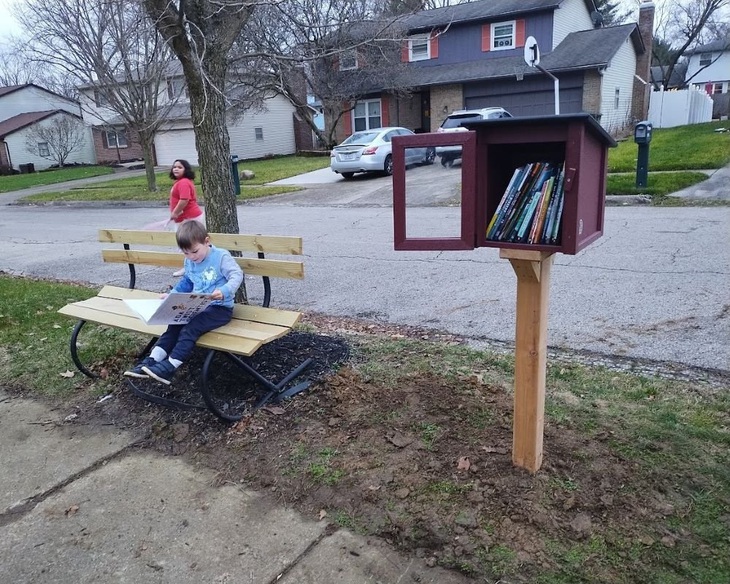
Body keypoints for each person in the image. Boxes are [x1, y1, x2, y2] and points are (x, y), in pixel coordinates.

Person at [124, 221, 243, 385]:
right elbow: (187, 281)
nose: (192, 257)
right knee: (174, 324)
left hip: (219, 309)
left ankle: (171, 365)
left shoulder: (220, 256)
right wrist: (172, 296)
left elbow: (236, 275)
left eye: (194, 251)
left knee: (191, 327)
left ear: (207, 241)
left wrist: (224, 291)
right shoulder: (190, 262)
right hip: (197, 306)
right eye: (186, 253)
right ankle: (151, 361)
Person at [169, 159, 205, 276]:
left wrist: (175, 213)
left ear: (186, 170)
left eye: (180, 167)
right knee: (187, 243)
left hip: (189, 218)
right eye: (174, 167)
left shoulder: (184, 182)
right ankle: (190, 266)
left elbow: (184, 199)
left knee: (188, 244)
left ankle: (188, 268)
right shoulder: (181, 182)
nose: (176, 169)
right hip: (185, 218)